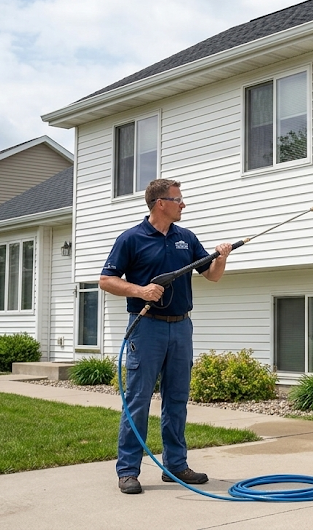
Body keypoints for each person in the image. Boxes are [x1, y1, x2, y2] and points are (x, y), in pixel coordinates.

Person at [99, 178, 232, 495]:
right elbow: (106, 280)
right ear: (161, 203)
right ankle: (128, 471)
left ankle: (175, 467)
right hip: (147, 327)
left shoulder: (186, 239)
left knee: (176, 400)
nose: (183, 204)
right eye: (178, 199)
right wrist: (140, 290)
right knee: (138, 400)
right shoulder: (131, 239)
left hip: (181, 326)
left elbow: (211, 276)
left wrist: (221, 256)